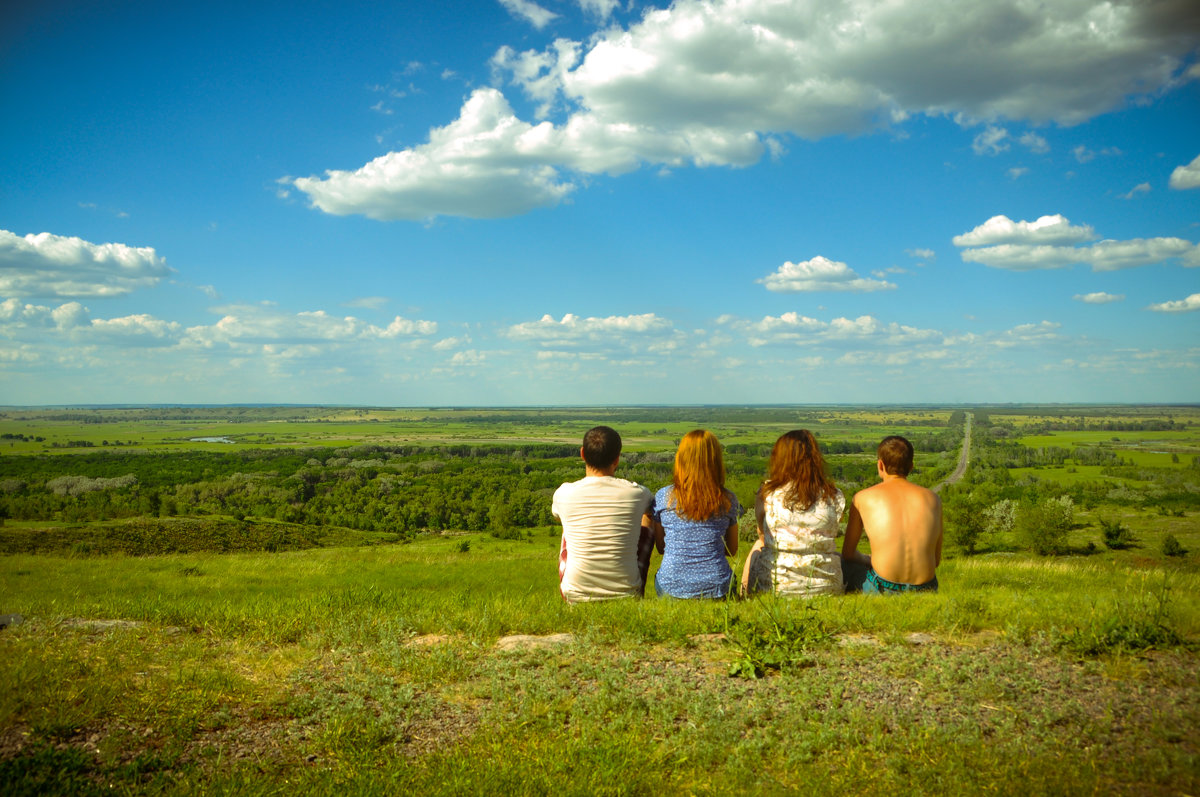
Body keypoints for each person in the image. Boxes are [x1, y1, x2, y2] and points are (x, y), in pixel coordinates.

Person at [552, 426, 655, 603]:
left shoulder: (564, 494)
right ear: (617, 459)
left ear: (582, 454)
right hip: (627, 591)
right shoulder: (638, 494)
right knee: (648, 517)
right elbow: (650, 514)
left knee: (568, 527)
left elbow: (558, 517)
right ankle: (634, 587)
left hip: (575, 593)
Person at [742, 430, 845, 597]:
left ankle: (745, 595)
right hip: (826, 589)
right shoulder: (834, 495)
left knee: (757, 547)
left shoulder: (767, 493)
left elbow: (763, 535)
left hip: (776, 587)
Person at [841, 435, 942, 594]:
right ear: (911, 466)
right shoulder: (934, 499)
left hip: (883, 587)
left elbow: (848, 554)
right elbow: (935, 560)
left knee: (840, 562)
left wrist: (869, 559)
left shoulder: (862, 498)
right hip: (926, 588)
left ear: (880, 465)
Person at [651, 430, 741, 599]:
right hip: (718, 586)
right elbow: (732, 550)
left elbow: (661, 547)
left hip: (671, 585)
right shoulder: (728, 500)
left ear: (681, 459)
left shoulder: (664, 497)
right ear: (715, 461)